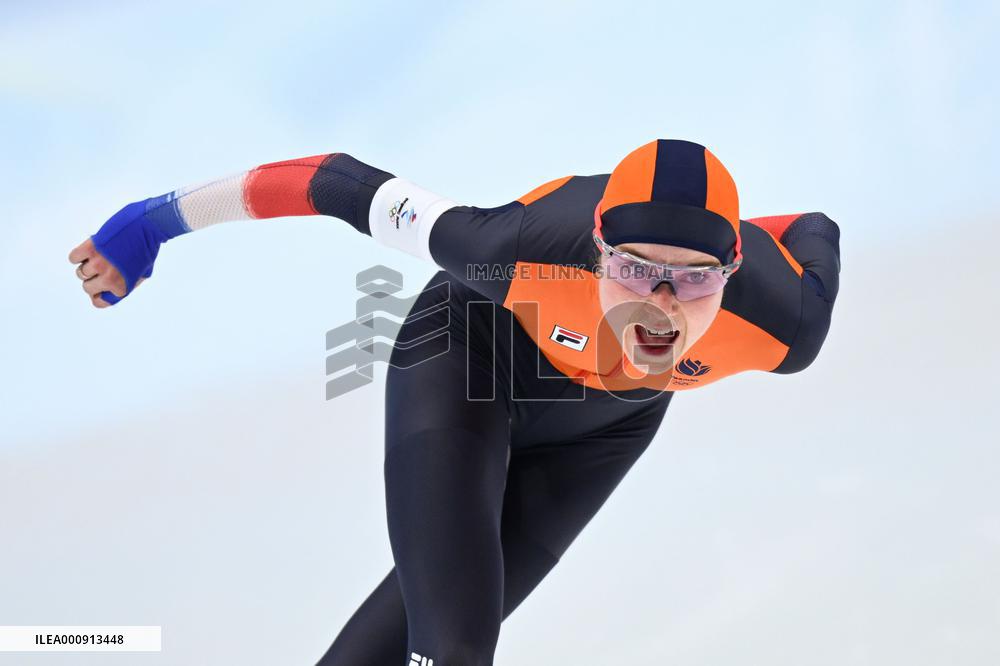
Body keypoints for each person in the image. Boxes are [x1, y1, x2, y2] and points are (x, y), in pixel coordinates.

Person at [69, 139, 840, 665]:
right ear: (599, 249)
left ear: (735, 268)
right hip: (467, 361)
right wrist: (152, 223)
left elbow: (813, 228)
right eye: (636, 270)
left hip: (602, 432)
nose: (663, 306)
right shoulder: (512, 246)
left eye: (697, 277)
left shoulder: (783, 325)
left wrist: (756, 239)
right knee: (454, 648)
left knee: (400, 646)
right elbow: (334, 182)